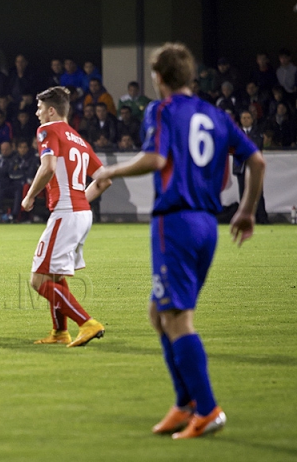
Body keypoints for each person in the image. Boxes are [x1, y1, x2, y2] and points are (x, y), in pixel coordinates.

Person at [92, 42, 266, 439]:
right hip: (207, 224)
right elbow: (256, 160)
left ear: (159, 78)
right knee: (159, 314)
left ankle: (207, 409)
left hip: (176, 223)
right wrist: (247, 210)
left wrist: (110, 171)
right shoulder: (216, 115)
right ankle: (183, 403)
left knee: (177, 319)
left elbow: (156, 159)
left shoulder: (163, 110)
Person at [21, 86, 110, 348]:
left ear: (51, 110)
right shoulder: (79, 139)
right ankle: (60, 332)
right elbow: (104, 180)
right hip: (81, 213)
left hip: (66, 214)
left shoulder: (47, 131)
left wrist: (29, 196)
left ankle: (88, 323)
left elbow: (48, 167)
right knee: (55, 276)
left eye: (39, 109)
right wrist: (80, 199)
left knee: (37, 280)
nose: (37, 114)